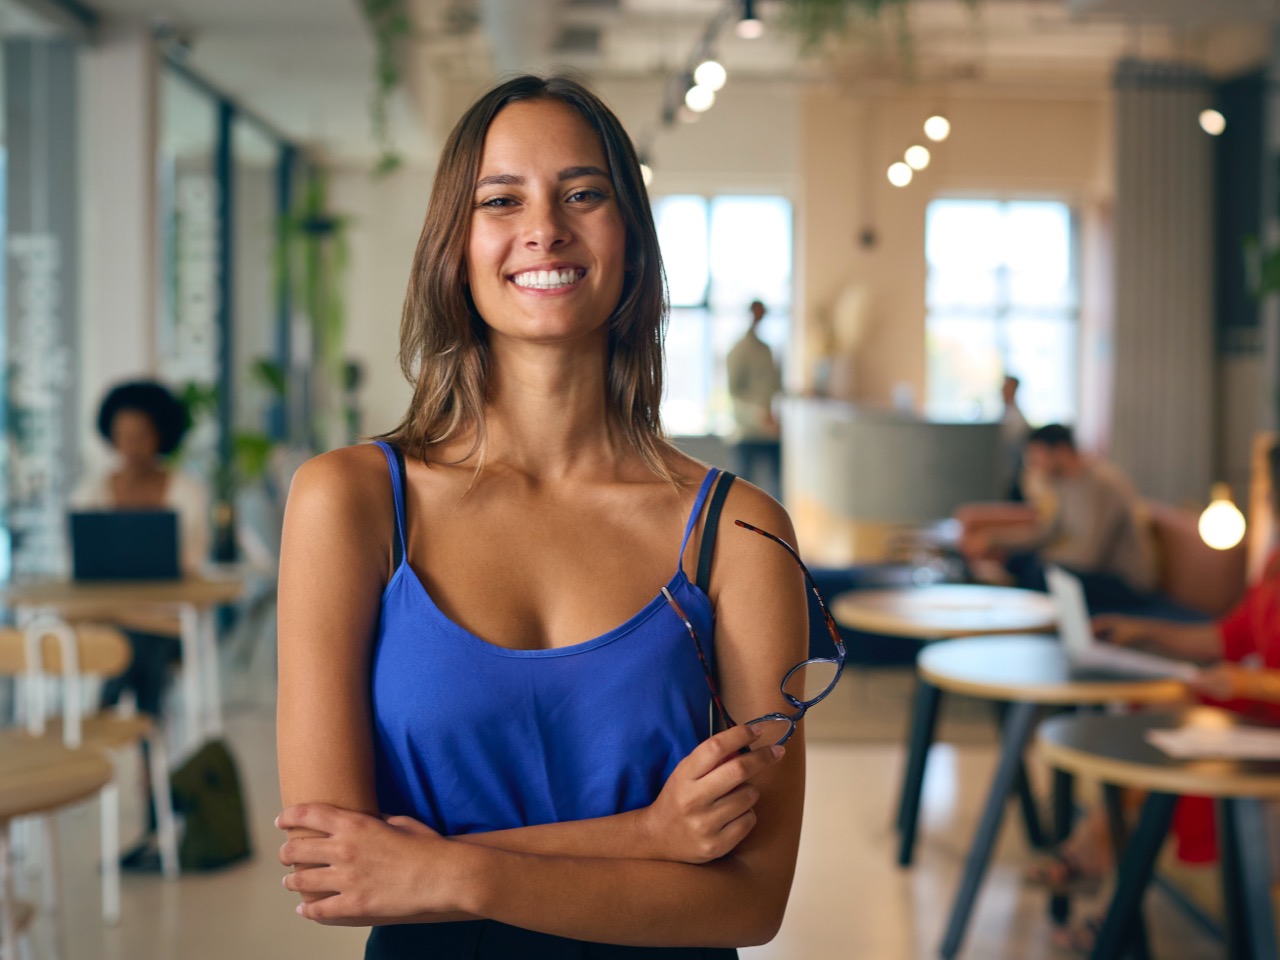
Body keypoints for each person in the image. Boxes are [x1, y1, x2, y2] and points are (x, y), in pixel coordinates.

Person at [275, 75, 809, 958]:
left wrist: (449, 872)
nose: (545, 227)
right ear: (456, 246)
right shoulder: (353, 502)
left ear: (630, 243)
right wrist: (643, 839)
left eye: (584, 193)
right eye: (501, 199)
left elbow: (753, 902)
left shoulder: (738, 533)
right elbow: (337, 872)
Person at [1027, 440, 1280, 952]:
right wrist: (1143, 631)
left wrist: (1247, 683)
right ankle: (1101, 875)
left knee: (1176, 748)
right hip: (1259, 710)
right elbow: (1226, 638)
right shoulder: (1274, 564)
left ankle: (1098, 882)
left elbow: (1240, 662)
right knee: (1151, 724)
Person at [72, 379, 209, 715]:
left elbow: (193, 560)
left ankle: (107, 704)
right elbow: (77, 558)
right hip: (106, 615)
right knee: (135, 638)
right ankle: (150, 734)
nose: (132, 446)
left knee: (141, 637)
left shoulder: (187, 492)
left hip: (165, 618)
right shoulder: (89, 493)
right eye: (124, 436)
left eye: (142, 435)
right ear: (111, 437)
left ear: (160, 435)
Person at [963, 423, 1156, 611]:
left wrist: (1045, 560)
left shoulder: (1102, 484)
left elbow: (1090, 555)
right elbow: (1047, 532)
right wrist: (994, 539)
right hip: (1092, 568)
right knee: (1020, 561)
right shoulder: (1063, 482)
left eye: (1037, 457)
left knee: (1037, 571)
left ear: (1061, 451)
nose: (1033, 465)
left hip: (1123, 581)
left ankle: (1031, 626)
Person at [726, 299, 783, 498]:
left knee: (778, 488)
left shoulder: (766, 350)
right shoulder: (738, 350)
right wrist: (757, 415)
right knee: (742, 492)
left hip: (770, 432)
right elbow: (734, 392)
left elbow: (776, 387)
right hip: (747, 432)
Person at [999, 374, 1030, 500]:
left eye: (1006, 387)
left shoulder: (1017, 418)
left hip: (1014, 472)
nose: (1002, 392)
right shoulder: (1006, 413)